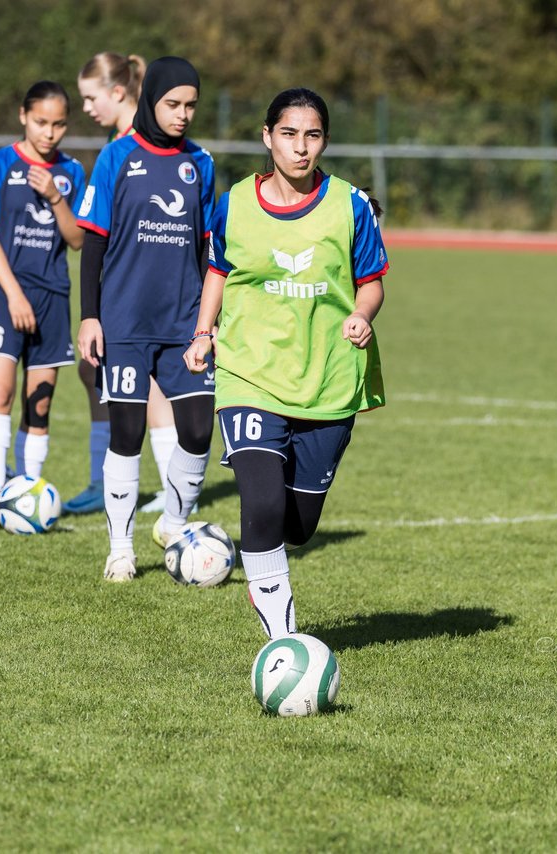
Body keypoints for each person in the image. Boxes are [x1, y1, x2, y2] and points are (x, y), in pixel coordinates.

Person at [184, 87, 387, 638]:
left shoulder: (350, 205)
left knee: (297, 524)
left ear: (324, 141)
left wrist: (363, 315)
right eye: (290, 134)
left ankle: (249, 542)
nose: (301, 148)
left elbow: (371, 282)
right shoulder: (233, 203)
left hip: (327, 378)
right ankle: (283, 639)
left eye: (313, 135)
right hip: (248, 373)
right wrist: (204, 332)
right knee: (264, 500)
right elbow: (219, 269)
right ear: (267, 137)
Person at [76, 56, 217, 581]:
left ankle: (175, 524)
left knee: (200, 429)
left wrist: (209, 321)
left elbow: (208, 251)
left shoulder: (201, 163)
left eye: (191, 106)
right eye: (172, 104)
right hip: (126, 322)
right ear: (152, 100)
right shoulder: (116, 157)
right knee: (127, 433)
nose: (183, 115)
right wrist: (91, 318)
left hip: (183, 322)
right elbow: (93, 242)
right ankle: (120, 548)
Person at [64, 52, 182, 517]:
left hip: (139, 292)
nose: (87, 108)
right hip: (120, 288)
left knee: (146, 389)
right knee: (93, 373)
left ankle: (170, 500)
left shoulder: (137, 144)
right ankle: (106, 479)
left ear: (118, 93)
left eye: (91, 98)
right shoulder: (119, 142)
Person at [0, 81, 87, 526]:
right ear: (23, 116)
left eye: (58, 124)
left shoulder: (73, 171)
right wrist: (14, 293)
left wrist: (56, 197)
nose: (49, 132)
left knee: (40, 401)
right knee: (0, 389)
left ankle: (30, 493)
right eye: (40, 122)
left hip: (52, 294)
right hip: (2, 291)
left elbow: (77, 240)